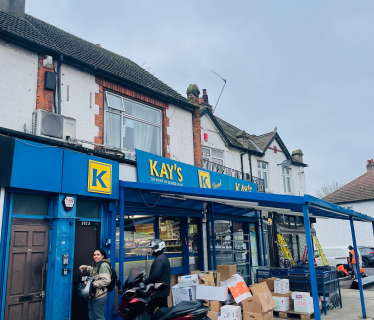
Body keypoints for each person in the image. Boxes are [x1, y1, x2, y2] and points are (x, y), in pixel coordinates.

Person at [79, 248, 111, 320]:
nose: (95, 256)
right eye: (94, 255)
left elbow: (106, 280)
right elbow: (94, 271)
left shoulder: (103, 265)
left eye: (98, 255)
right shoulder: (97, 265)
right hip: (94, 295)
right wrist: (86, 267)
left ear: (102, 256)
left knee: (98, 317)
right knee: (92, 316)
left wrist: (92, 284)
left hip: (99, 296)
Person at [143, 239, 171, 316]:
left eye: (152, 249)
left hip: (158, 291)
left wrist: (145, 282)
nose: (151, 251)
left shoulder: (159, 260)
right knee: (164, 311)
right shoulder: (162, 257)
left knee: (148, 311)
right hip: (162, 290)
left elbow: (155, 275)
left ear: (157, 248)